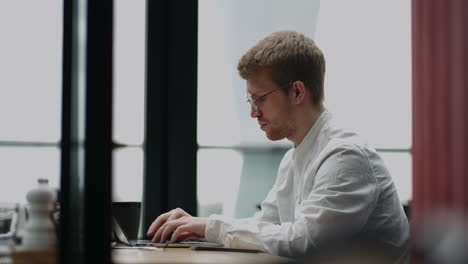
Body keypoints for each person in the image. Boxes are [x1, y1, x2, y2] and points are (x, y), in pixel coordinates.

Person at [146, 30, 409, 258]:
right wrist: (197, 229)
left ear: (296, 91)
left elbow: (304, 242)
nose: (253, 113)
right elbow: (266, 226)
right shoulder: (296, 156)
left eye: (259, 99)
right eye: (250, 102)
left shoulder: (346, 156)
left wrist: (210, 226)